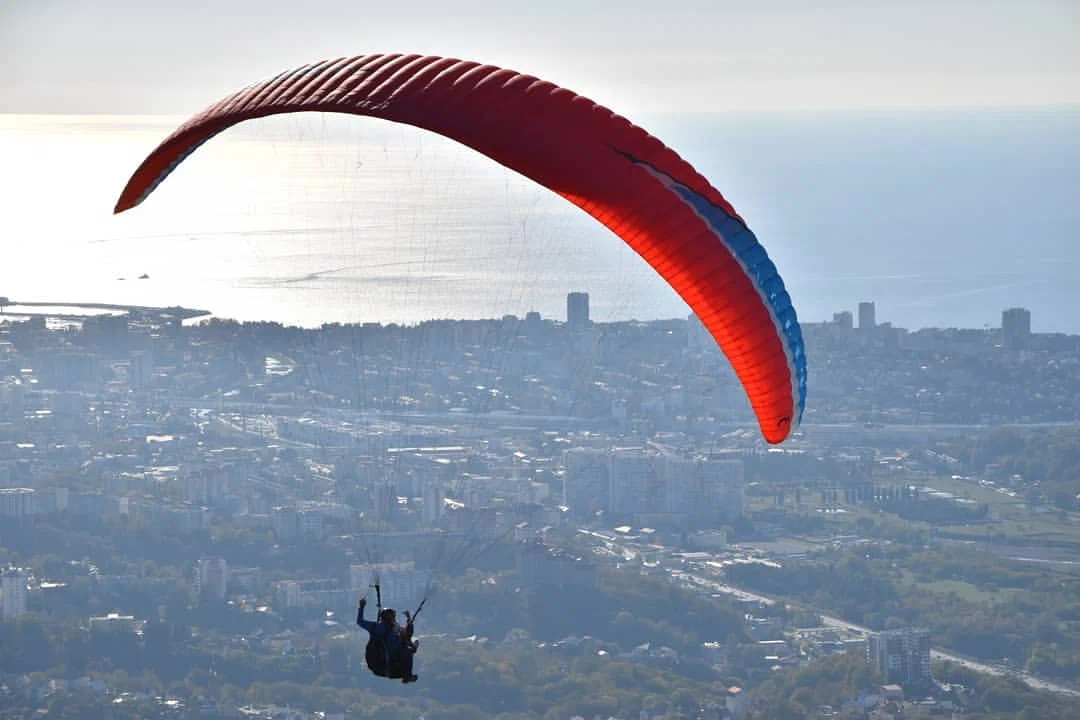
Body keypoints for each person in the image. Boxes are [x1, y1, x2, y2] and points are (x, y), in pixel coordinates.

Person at [357, 596, 418, 683]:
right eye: (394, 617)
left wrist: (362, 607)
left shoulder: (374, 627)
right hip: (388, 662)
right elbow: (406, 634)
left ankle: (407, 673)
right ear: (391, 618)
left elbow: (360, 621)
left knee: (408, 646)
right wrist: (409, 621)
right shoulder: (393, 629)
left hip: (373, 664)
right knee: (409, 650)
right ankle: (407, 675)